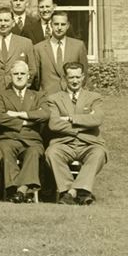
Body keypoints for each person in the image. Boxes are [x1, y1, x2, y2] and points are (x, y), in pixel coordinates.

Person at [45, 62, 106, 205]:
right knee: (51, 153)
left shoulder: (94, 97)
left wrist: (70, 118)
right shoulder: (54, 99)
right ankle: (79, 192)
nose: (75, 81)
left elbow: (97, 119)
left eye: (78, 77)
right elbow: (54, 124)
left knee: (98, 154)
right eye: (71, 77)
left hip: (89, 143)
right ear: (65, 78)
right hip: (64, 143)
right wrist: (86, 122)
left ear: (83, 77)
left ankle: (70, 193)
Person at [0, 61, 47, 203]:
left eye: (22, 74)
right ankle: (16, 190)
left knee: (34, 152)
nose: (19, 77)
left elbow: (45, 114)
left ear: (28, 76)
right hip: (8, 138)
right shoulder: (1, 96)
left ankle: (20, 190)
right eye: (15, 74)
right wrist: (28, 121)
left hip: (32, 139)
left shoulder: (38, 96)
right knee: (4, 150)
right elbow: (0, 118)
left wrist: (20, 114)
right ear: (10, 76)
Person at [0, 6, 36, 96]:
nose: (3, 24)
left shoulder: (26, 43)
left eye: (6, 20)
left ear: (13, 23)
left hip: (18, 95)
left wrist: (23, 87)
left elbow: (32, 70)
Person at [33, 11, 88, 96]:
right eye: (56, 24)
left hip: (71, 97)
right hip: (48, 98)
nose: (59, 27)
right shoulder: (39, 48)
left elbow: (84, 74)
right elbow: (37, 79)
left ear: (68, 25)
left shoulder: (78, 46)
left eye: (62, 24)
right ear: (51, 25)